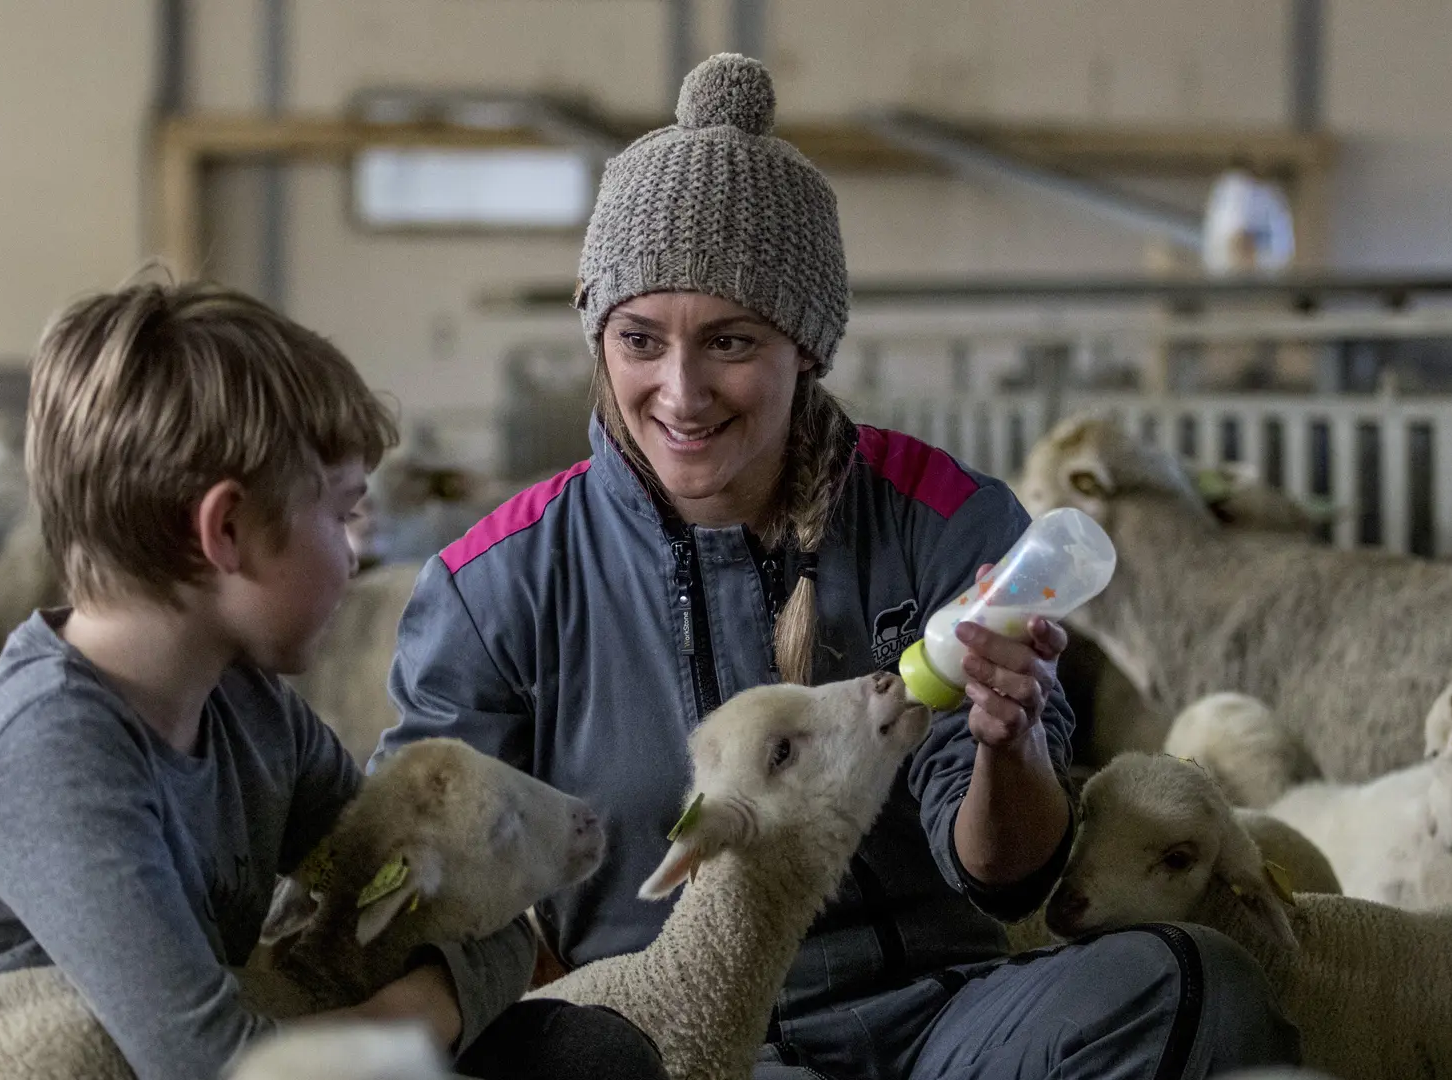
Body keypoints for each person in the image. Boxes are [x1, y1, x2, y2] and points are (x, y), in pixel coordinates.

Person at [380, 54, 1304, 1079]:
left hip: (940, 1024)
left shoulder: (942, 520)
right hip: (671, 1037)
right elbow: (435, 872)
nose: (680, 391)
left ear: (805, 349)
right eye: (640, 340)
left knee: (1183, 981)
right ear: (599, 339)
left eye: (730, 341)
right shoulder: (496, 584)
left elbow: (1005, 879)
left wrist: (1012, 740)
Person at [0, 280, 652, 1080]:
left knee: (590, 1055)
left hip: (228, 1051)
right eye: (339, 514)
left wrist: (416, 1009)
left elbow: (450, 902)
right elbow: (210, 1066)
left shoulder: (251, 711)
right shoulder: (46, 749)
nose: (353, 554)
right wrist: (399, 1025)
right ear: (226, 530)